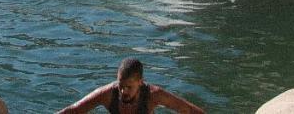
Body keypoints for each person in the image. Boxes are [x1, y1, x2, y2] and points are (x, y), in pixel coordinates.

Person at [56, 58, 205, 114]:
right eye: (121, 86)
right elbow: (74, 110)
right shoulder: (108, 94)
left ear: (140, 82)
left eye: (129, 87)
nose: (123, 91)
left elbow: (188, 110)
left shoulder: (153, 95)